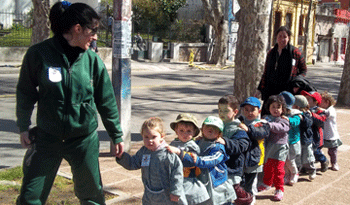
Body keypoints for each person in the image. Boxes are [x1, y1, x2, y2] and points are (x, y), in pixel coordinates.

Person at [15, 2, 124, 204]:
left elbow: (106, 101)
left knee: (92, 197)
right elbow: (25, 92)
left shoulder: (92, 61)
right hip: (47, 139)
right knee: (30, 198)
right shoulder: (39, 54)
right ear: (77, 28)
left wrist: (116, 134)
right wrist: (23, 126)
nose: (96, 36)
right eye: (93, 30)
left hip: (84, 141)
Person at [117, 117, 187, 205]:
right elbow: (133, 163)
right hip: (149, 195)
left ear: (162, 136)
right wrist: (121, 157)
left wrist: (176, 192)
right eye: (146, 137)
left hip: (167, 196)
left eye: (153, 137)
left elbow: (177, 174)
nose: (150, 140)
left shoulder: (168, 154)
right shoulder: (144, 152)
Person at [180, 116, 235, 205]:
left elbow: (213, 160)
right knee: (206, 199)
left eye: (214, 128)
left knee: (221, 201)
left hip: (215, 181)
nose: (210, 129)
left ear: (219, 134)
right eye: (208, 127)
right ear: (202, 129)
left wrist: (198, 160)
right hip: (202, 177)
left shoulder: (218, 147)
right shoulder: (198, 142)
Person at [257, 26, 307, 115]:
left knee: (283, 115)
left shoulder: (295, 52)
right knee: (267, 114)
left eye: (285, 36)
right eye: (280, 36)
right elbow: (266, 72)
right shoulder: (271, 53)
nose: (282, 39)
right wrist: (260, 89)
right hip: (271, 89)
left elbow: (303, 71)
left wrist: (297, 85)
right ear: (276, 37)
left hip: (287, 90)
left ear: (288, 38)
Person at [167, 113, 210, 205]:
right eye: (181, 130)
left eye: (189, 131)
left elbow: (191, 161)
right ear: (176, 131)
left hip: (187, 179)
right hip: (173, 178)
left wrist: (179, 152)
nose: (185, 134)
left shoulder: (192, 146)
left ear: (194, 132)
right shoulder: (173, 143)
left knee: (187, 200)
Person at [217, 95, 252, 204]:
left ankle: (247, 198)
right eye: (220, 110)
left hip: (233, 168)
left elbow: (243, 144)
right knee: (223, 194)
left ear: (235, 112)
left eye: (226, 110)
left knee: (235, 192)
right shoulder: (217, 126)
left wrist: (226, 142)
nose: (222, 113)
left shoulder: (238, 128)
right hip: (220, 167)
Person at [258, 95, 290, 201]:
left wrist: (269, 124)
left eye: (278, 107)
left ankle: (279, 189)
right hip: (270, 146)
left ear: (283, 109)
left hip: (280, 147)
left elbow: (281, 128)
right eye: (273, 107)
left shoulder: (284, 120)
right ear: (269, 108)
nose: (276, 109)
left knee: (278, 169)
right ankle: (267, 183)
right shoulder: (266, 118)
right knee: (267, 166)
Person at [239, 97, 270, 204]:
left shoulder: (262, 123)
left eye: (252, 109)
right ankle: (243, 198)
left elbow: (260, 133)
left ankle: (251, 199)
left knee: (251, 182)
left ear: (259, 111)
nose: (249, 112)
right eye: (246, 110)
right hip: (242, 157)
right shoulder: (240, 121)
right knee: (242, 181)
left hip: (254, 158)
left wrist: (248, 129)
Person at [301, 90, 328, 172]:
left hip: (316, 136)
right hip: (306, 135)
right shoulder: (303, 109)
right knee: (305, 151)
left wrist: (312, 114)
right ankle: (305, 166)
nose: (306, 101)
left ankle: (324, 160)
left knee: (315, 151)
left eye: (308, 99)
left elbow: (321, 121)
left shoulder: (320, 111)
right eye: (305, 99)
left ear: (315, 102)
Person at [279, 91, 301, 186]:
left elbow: (297, 121)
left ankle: (294, 172)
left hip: (292, 142)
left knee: (290, 160)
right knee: (283, 160)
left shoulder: (295, 114)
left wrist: (289, 120)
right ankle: (287, 175)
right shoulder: (279, 114)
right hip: (283, 141)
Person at [293, 95, 317, 180]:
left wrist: (302, 118)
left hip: (305, 140)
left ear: (297, 106)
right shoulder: (293, 113)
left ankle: (312, 170)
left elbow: (308, 123)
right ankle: (296, 173)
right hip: (296, 140)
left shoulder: (307, 114)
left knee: (308, 158)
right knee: (297, 158)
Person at [319, 91, 342, 171]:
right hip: (323, 134)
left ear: (327, 102)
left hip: (331, 135)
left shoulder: (331, 109)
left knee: (332, 152)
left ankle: (334, 163)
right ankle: (323, 160)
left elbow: (329, 114)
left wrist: (321, 110)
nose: (319, 103)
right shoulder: (322, 110)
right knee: (318, 148)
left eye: (321, 102)